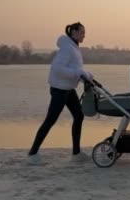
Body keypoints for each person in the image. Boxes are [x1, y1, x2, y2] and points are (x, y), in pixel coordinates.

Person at [28, 22, 92, 164]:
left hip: (68, 89)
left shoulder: (73, 48)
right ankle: (32, 154)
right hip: (59, 90)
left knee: (79, 115)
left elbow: (75, 70)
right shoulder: (67, 49)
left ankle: (76, 153)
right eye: (82, 32)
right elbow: (58, 69)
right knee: (50, 120)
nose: (84, 35)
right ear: (74, 32)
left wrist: (87, 77)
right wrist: (79, 73)